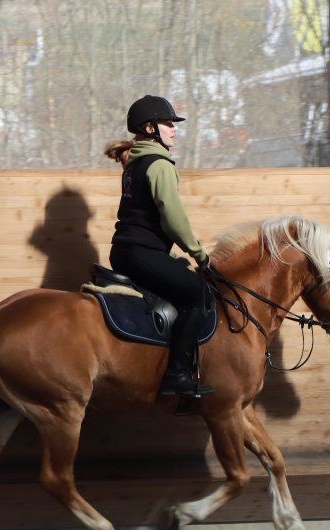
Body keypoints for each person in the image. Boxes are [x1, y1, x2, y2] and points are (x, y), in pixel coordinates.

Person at [105, 95, 214, 398]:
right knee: (198, 294)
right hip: (141, 253)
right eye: (168, 123)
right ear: (150, 128)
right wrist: (198, 253)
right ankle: (177, 375)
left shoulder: (135, 163)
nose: (174, 129)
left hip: (126, 251)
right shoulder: (159, 164)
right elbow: (173, 218)